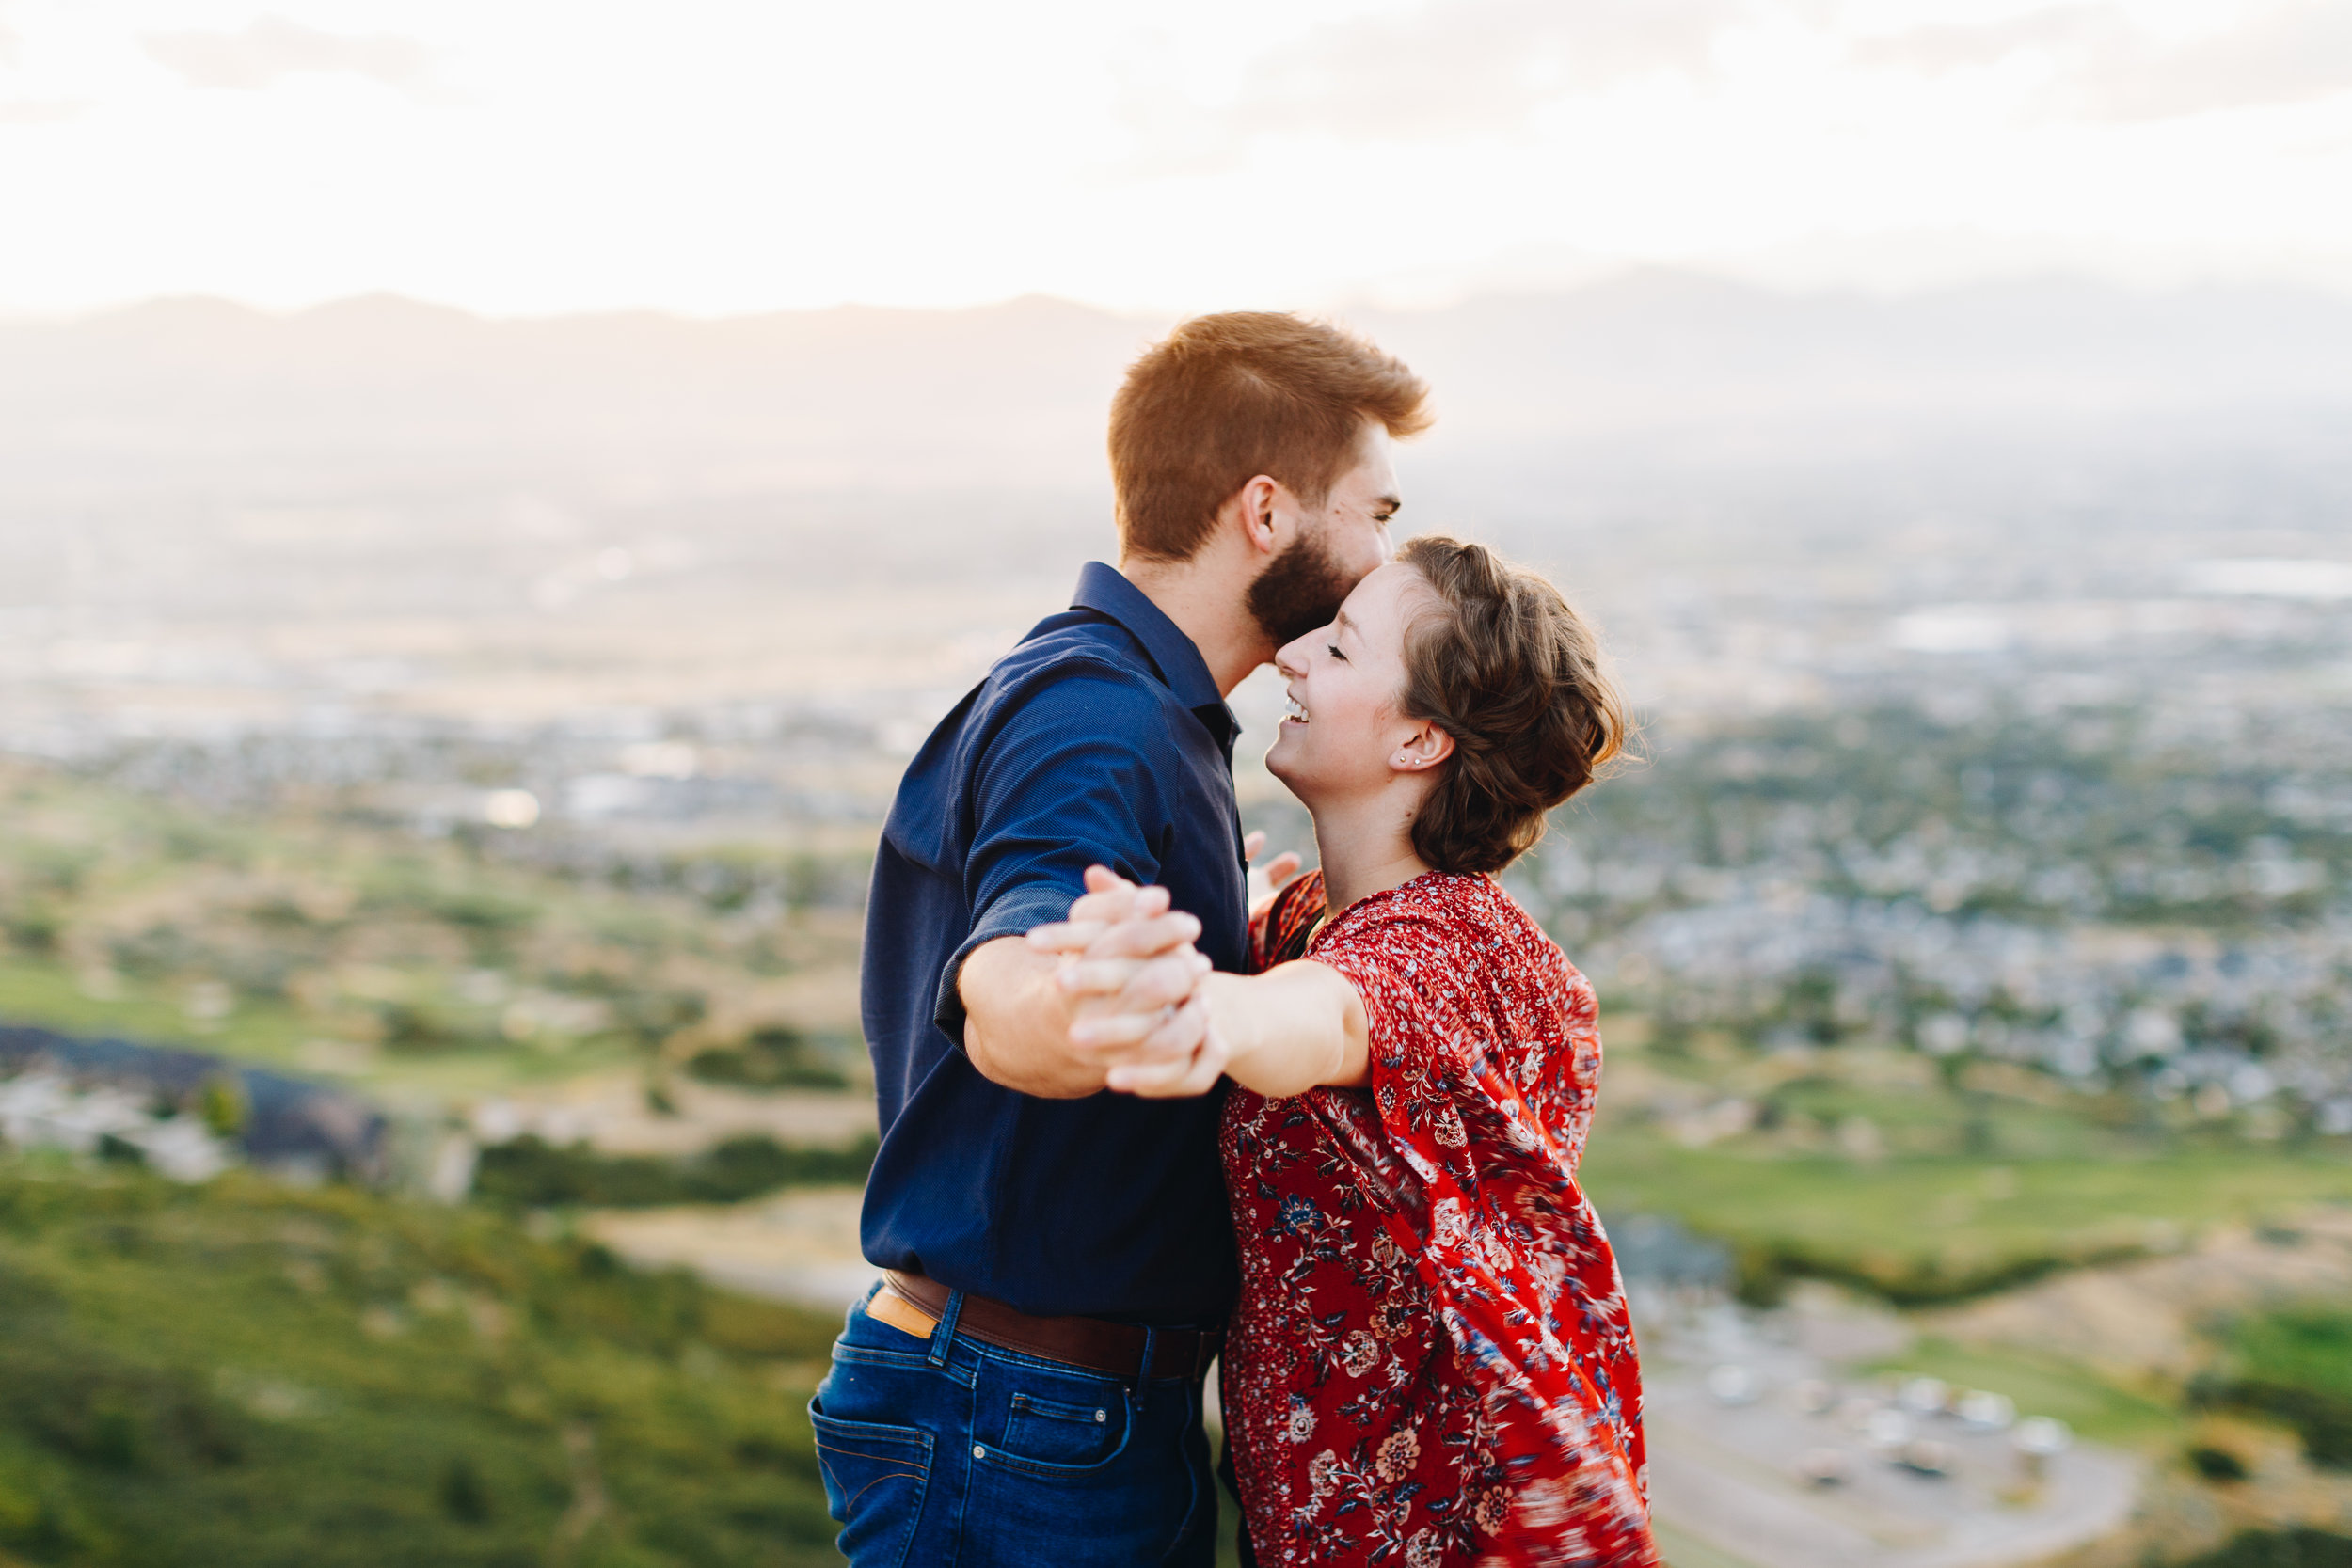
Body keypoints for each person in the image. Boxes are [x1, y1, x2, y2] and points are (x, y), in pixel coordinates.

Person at [810, 312, 1431, 1565]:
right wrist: (1073, 1006)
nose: (1381, 555)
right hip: (1021, 1414)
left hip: (1043, 1403)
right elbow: (1013, 967)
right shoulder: (1099, 714)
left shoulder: (1142, 708)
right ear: (1266, 510)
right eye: (1375, 512)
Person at [1032, 536, 1659, 1566]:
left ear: (1419, 738)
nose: (1293, 655)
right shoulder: (1324, 919)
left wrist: (1201, 1007)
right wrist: (1230, 930)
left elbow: (1324, 1021)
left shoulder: (1454, 951)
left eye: (1341, 646)